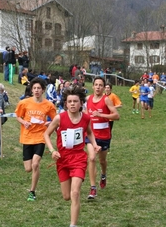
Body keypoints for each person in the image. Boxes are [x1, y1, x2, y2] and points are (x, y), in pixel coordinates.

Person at [44, 85, 101, 227]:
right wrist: (52, 151)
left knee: (75, 193)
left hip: (78, 159)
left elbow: (89, 132)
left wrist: (94, 144)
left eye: (75, 101)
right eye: (69, 102)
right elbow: (46, 134)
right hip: (62, 159)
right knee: (66, 196)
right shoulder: (59, 118)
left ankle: (73, 224)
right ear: (65, 103)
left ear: (81, 103)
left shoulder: (86, 118)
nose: (72, 104)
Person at [15, 77, 57, 201]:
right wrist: (24, 122)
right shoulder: (24, 103)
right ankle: (33, 181)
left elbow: (56, 120)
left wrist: (49, 124)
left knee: (35, 164)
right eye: (34, 88)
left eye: (39, 88)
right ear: (31, 90)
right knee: (28, 168)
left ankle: (32, 191)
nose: (37, 90)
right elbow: (18, 116)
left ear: (43, 90)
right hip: (27, 137)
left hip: (40, 137)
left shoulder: (48, 105)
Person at [85, 76, 120, 199]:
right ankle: (93, 188)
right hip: (91, 135)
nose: (98, 87)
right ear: (93, 86)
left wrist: (101, 114)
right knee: (92, 158)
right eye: (96, 85)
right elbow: (84, 115)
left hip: (104, 135)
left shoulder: (106, 100)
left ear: (104, 87)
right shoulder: (88, 99)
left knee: (102, 161)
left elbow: (116, 115)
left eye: (101, 85)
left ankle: (103, 174)